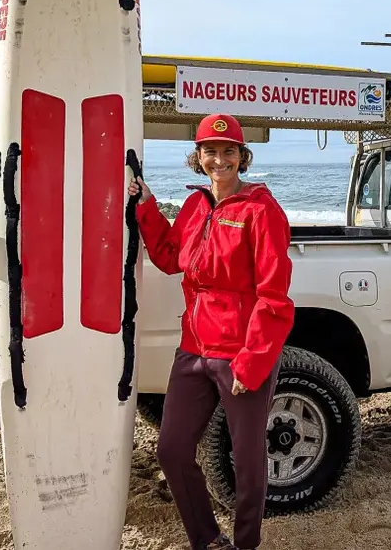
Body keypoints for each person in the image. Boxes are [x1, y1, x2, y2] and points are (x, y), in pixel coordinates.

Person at [128, 113, 295, 550]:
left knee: (246, 460)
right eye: (210, 152)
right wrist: (146, 204)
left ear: (242, 157)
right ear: (197, 157)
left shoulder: (262, 211)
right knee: (172, 450)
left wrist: (253, 362)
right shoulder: (195, 206)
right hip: (194, 349)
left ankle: (245, 543)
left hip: (240, 353)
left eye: (228, 152)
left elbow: (274, 297)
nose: (219, 160)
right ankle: (207, 539)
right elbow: (168, 257)